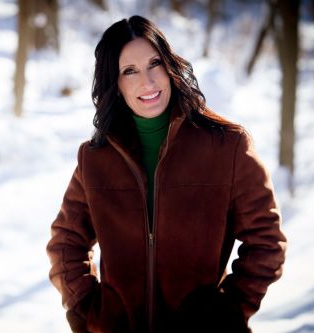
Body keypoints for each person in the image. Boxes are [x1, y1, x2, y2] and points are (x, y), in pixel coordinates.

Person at [46, 15, 286, 333]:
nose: (147, 82)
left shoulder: (227, 146)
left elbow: (266, 240)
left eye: (154, 63)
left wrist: (228, 312)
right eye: (129, 71)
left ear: (169, 67)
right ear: (114, 83)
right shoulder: (95, 158)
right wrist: (90, 314)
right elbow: (66, 242)